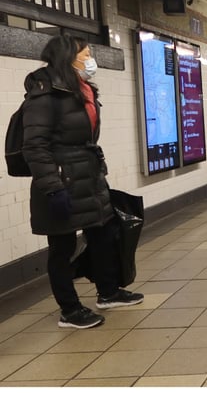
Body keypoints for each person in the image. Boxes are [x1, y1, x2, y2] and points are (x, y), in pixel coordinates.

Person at [20, 35, 144, 329]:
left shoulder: (82, 89)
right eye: (85, 53)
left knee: (102, 234)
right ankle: (70, 310)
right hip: (61, 181)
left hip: (88, 176)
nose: (90, 59)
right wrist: (52, 187)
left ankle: (108, 291)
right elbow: (34, 146)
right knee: (62, 247)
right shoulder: (45, 94)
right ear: (68, 57)